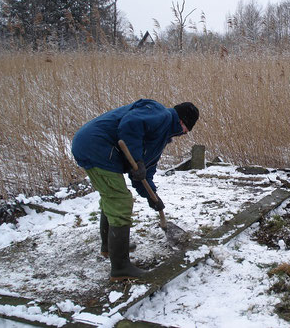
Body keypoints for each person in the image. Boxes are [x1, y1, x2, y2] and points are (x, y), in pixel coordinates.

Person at [71, 99, 199, 280]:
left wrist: (152, 197)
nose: (184, 134)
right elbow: (131, 125)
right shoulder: (160, 115)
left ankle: (110, 247)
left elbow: (145, 172)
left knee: (112, 198)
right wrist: (137, 159)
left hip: (97, 148)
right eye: (187, 130)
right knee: (119, 200)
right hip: (96, 146)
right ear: (182, 123)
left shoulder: (161, 136)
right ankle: (121, 268)